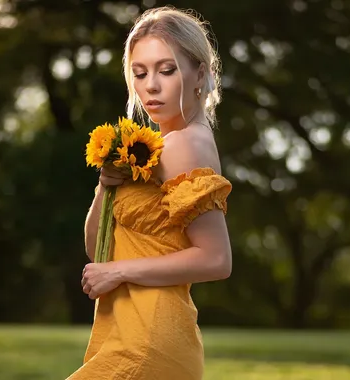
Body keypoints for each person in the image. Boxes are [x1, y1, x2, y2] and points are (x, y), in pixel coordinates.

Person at [68, 6, 232, 380]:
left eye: (167, 70)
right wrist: (103, 188)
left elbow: (217, 259)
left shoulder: (186, 146)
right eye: (140, 73)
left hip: (150, 341)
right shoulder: (157, 148)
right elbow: (98, 252)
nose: (151, 86)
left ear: (199, 75)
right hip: (126, 334)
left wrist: (119, 272)